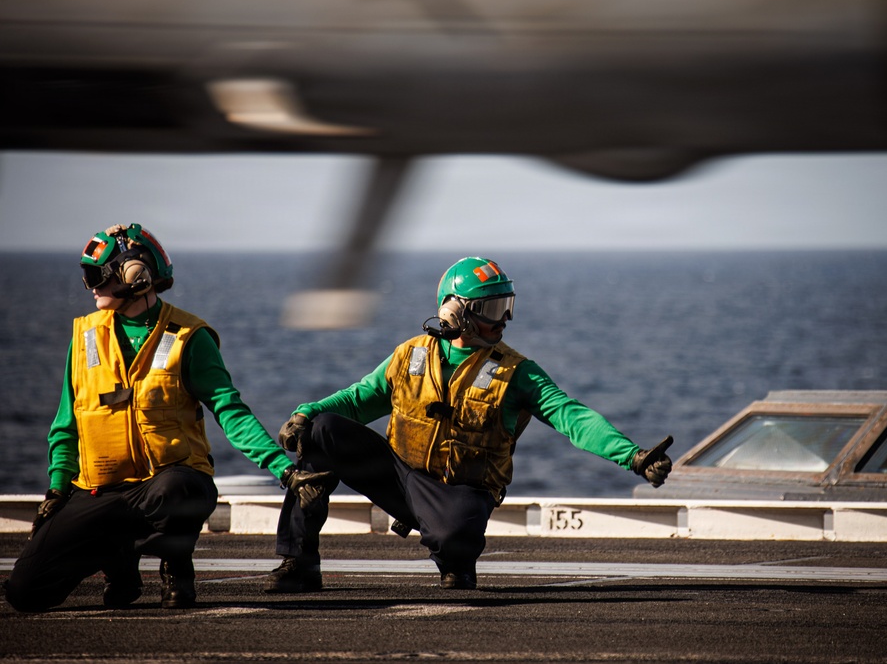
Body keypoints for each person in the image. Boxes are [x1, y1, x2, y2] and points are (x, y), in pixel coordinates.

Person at [267, 256, 673, 592]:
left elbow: (572, 416)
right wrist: (305, 413)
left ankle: (456, 562)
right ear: (455, 311)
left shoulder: (517, 372)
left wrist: (633, 457)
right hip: (398, 474)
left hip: (457, 490)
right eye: (493, 310)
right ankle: (299, 562)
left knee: (456, 538)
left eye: (507, 307)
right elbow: (358, 399)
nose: (504, 320)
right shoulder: (409, 355)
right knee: (321, 430)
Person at [3, 223, 329, 612]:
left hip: (168, 485)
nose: (89, 286)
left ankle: (176, 566)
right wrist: (58, 490)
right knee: (25, 593)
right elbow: (66, 424)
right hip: (99, 492)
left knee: (178, 489)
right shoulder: (85, 336)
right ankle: (118, 560)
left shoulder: (189, 337)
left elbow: (231, 411)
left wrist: (285, 471)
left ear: (134, 276)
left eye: (96, 276)